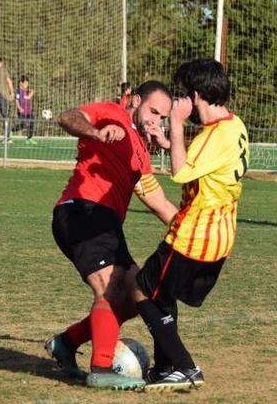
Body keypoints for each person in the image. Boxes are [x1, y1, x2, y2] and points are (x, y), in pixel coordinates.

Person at [44, 81, 177, 390]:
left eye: (162, 118)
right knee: (112, 286)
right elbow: (67, 117)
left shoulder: (140, 153)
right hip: (82, 210)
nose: (156, 121)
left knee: (138, 295)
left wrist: (194, 231)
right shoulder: (111, 113)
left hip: (106, 225)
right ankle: (102, 367)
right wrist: (96, 132)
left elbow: (158, 204)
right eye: (153, 112)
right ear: (136, 101)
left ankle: (67, 342)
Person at [127, 58, 248, 392]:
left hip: (194, 236)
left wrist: (176, 125)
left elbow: (181, 172)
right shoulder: (233, 126)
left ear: (195, 95)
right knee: (163, 293)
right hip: (219, 237)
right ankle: (166, 367)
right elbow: (198, 165)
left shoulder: (213, 135)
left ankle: (185, 366)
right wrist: (167, 142)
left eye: (182, 96)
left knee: (140, 288)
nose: (179, 103)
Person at [14, 74, 36, 144]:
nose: (27, 85)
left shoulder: (27, 91)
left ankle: (29, 138)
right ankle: (12, 130)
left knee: (32, 123)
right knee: (23, 125)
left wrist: (31, 92)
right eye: (25, 83)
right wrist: (19, 108)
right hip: (22, 111)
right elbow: (17, 101)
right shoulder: (18, 91)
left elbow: (29, 97)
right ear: (21, 83)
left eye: (27, 83)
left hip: (28, 111)